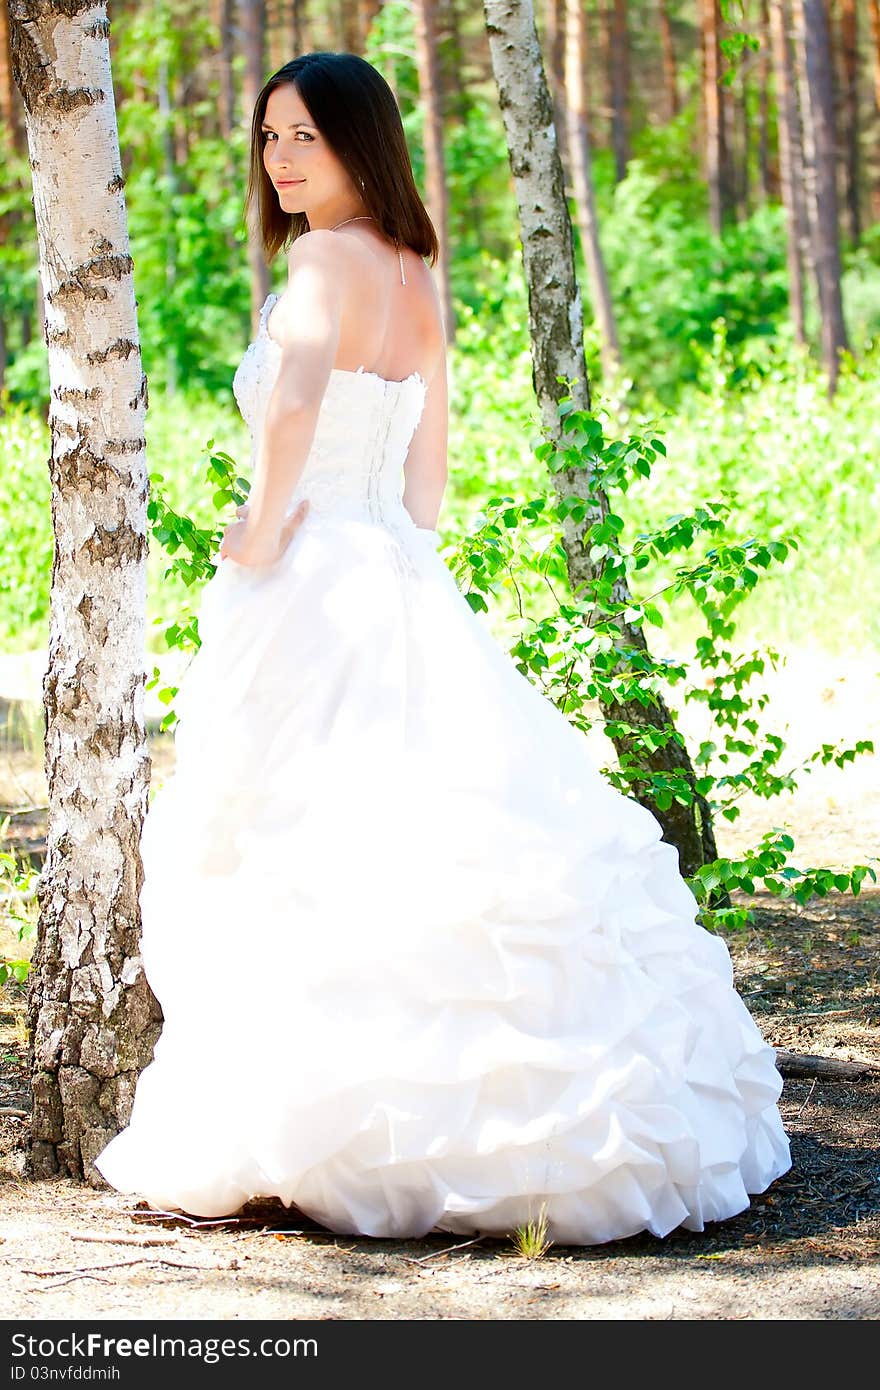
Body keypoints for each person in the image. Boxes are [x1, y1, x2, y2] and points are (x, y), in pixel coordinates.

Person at [94, 51, 792, 1245]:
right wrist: (398, 566)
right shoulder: (417, 273)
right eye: (269, 139)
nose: (282, 159)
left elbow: (302, 393)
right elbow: (430, 474)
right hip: (397, 573)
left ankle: (327, 1129)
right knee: (425, 829)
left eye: (305, 135)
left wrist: (262, 532)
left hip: (313, 570)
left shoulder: (319, 262)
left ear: (362, 142)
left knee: (301, 836)